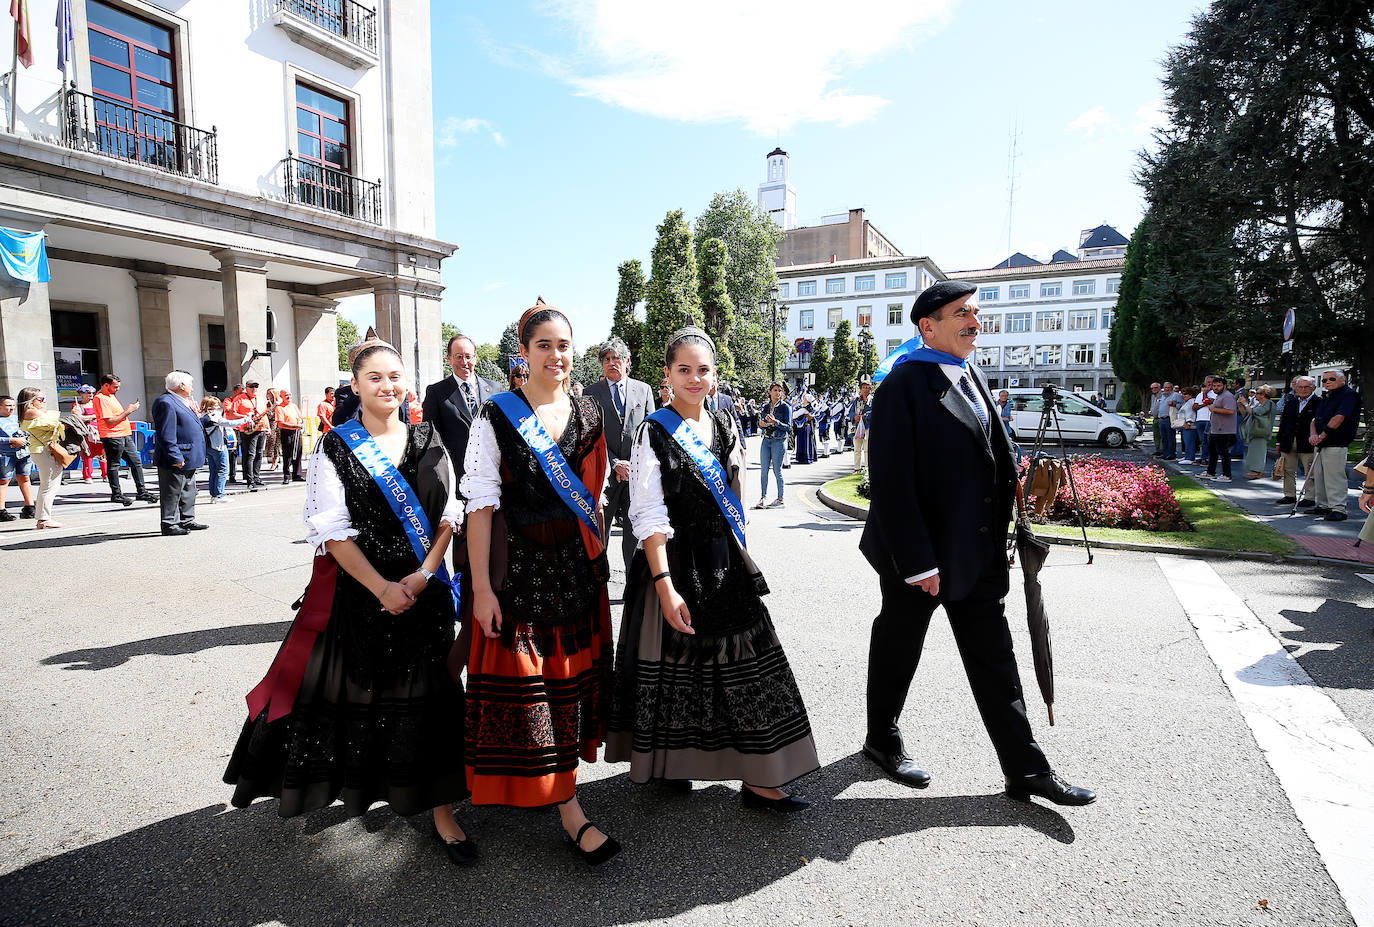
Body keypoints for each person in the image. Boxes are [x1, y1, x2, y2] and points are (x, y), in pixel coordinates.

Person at [224, 341, 474, 865]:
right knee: (367, 696)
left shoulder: (430, 438)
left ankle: (441, 809)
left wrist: (426, 574)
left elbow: (452, 512)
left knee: (431, 700)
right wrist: (383, 588)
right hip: (365, 595)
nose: (388, 386)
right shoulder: (335, 446)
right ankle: (365, 787)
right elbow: (330, 530)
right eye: (376, 378)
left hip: (424, 592)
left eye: (396, 377)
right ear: (355, 385)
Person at [859, 280, 1094, 807]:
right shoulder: (902, 386)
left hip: (979, 553)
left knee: (995, 661)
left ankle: (1026, 769)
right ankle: (881, 739)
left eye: (975, 312)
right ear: (928, 326)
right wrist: (917, 562)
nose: (974, 321)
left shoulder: (970, 375)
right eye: (961, 313)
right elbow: (892, 482)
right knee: (899, 649)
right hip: (918, 557)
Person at [607, 327, 818, 809]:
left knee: (744, 663)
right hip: (673, 562)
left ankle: (761, 778)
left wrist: (740, 552)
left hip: (722, 562)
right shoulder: (653, 431)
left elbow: (734, 497)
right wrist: (663, 585)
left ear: (715, 375)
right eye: (684, 370)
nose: (694, 378)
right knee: (673, 666)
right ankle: (670, 765)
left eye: (703, 370)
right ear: (667, 376)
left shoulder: (725, 425)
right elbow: (648, 513)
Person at [460, 300, 619, 865]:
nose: (556, 355)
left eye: (564, 345)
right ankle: (552, 800)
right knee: (531, 688)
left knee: (569, 687)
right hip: (518, 571)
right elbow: (480, 507)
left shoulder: (590, 413)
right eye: (543, 345)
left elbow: (594, 496)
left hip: (574, 570)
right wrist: (480, 587)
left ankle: (566, 802)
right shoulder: (495, 415)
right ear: (523, 354)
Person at [585, 337, 652, 574]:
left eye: (617, 358)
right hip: (604, 476)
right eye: (607, 359)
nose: (612, 363)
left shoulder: (644, 390)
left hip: (636, 475)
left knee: (634, 532)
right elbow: (590, 434)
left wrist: (633, 464)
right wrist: (614, 462)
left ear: (627, 361)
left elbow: (649, 432)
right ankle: (599, 580)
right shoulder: (590, 393)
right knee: (600, 531)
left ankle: (633, 586)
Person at [422, 334, 503, 494]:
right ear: (449, 358)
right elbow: (431, 437)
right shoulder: (436, 392)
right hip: (457, 479)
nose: (464, 362)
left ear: (476, 358)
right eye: (458, 356)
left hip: (493, 475)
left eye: (468, 356)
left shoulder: (495, 389)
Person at [152, 371, 208, 536]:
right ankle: (170, 523)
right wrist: (175, 455)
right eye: (190, 383)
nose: (192, 387)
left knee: (188, 490)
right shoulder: (166, 402)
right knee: (172, 492)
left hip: (189, 454)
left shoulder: (181, 401)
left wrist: (206, 419)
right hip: (177, 456)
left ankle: (187, 519)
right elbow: (165, 434)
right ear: (181, 385)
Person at [1308, 369, 1362, 521]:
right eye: (1324, 380)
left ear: (1343, 379)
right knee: (1319, 475)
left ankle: (1338, 508)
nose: (1327, 382)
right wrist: (1313, 434)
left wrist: (1322, 435)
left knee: (1334, 476)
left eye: (1331, 379)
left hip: (1336, 441)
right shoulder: (1327, 396)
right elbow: (1315, 419)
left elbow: (1339, 418)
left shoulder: (1349, 395)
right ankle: (1323, 505)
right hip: (1320, 441)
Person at [94, 374, 156, 506]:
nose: (117, 389)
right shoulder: (100, 398)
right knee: (114, 465)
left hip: (123, 434)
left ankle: (142, 491)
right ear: (106, 385)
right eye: (115, 387)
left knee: (136, 462)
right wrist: (129, 411)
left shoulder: (110, 396)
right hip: (112, 436)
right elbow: (110, 421)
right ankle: (116, 494)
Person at [16, 387, 66, 529]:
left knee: (48, 485)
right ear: (30, 401)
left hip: (42, 450)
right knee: (49, 485)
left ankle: (43, 518)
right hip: (44, 451)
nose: (44, 401)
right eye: (40, 399)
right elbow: (56, 422)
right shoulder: (31, 411)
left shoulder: (29, 412)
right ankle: (44, 519)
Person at [1275, 375, 1317, 506]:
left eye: (1306, 387)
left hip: (1307, 442)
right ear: (1296, 388)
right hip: (1288, 440)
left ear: (1313, 388)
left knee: (1310, 471)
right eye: (1300, 387)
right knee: (1287, 469)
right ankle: (1289, 495)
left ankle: (1309, 497)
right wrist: (1279, 441)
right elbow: (1284, 423)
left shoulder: (1319, 402)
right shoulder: (1292, 402)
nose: (1303, 390)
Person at [199, 396, 249, 503]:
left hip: (208, 447)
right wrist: (246, 419)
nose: (218, 407)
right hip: (218, 446)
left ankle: (213, 495)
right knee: (223, 470)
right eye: (216, 405)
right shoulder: (213, 417)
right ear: (210, 406)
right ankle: (219, 495)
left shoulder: (202, 416)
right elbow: (230, 423)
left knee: (213, 471)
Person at [226, 381, 269, 491]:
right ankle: (250, 480)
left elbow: (264, 414)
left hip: (261, 428)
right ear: (246, 387)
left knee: (259, 454)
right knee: (250, 454)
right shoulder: (239, 398)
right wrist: (246, 417)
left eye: (256, 386)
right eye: (251, 386)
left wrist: (267, 427)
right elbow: (232, 414)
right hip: (248, 430)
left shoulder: (260, 398)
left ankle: (256, 477)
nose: (254, 388)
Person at [0, 394, 36, 521]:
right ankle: (1, 510)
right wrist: (11, 440)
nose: (12, 408)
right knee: (4, 481)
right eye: (8, 406)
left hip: (23, 453)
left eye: (13, 406)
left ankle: (30, 506)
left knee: (25, 478)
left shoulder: (18, 418)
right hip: (5, 454)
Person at [756, 383, 791, 508]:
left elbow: (789, 427)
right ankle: (763, 497)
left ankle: (780, 499)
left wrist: (776, 422)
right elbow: (761, 423)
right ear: (770, 392)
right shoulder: (766, 406)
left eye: (779, 390)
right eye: (775, 390)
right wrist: (762, 424)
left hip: (779, 440)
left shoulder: (785, 407)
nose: (778, 393)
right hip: (766, 440)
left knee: (777, 471)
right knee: (764, 470)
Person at [1202, 376, 1238, 482]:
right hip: (1215, 429)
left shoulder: (1227, 396)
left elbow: (1231, 411)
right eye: (1214, 386)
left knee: (1223, 452)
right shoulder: (1219, 396)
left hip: (1225, 430)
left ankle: (1226, 475)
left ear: (1224, 386)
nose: (1216, 388)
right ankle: (1210, 472)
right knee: (1212, 451)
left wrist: (1214, 409)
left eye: (1219, 386)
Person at [1241, 385, 1277, 479]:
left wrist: (1245, 404)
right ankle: (1255, 470)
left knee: (1259, 452)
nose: (1255, 395)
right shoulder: (1260, 404)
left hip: (1261, 432)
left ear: (1263, 395)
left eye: (1257, 393)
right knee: (1254, 451)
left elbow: (1255, 412)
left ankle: (1258, 471)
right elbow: (1247, 413)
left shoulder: (1268, 404)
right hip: (1256, 431)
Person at [70, 385, 103, 483]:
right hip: (85, 432)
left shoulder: (96, 403)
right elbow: (77, 417)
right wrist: (92, 417)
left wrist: (88, 417)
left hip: (98, 431)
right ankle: (87, 476)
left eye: (92, 392)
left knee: (102, 453)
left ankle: (105, 474)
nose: (91, 395)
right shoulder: (77, 405)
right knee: (87, 453)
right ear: (82, 394)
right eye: (88, 392)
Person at [274, 388, 305, 484]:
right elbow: (281, 424)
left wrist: (300, 422)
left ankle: (297, 474)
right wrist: (295, 425)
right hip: (287, 432)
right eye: (286, 395)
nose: (288, 396)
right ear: (281, 396)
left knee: (298, 453)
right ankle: (286, 476)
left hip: (296, 432)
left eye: (289, 394)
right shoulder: (279, 408)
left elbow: (300, 418)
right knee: (287, 455)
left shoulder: (294, 406)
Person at [851, 380, 874, 473]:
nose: (866, 389)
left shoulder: (872, 400)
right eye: (864, 387)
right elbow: (851, 411)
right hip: (857, 428)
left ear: (870, 389)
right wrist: (854, 417)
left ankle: (867, 468)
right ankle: (856, 468)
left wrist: (864, 416)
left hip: (867, 427)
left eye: (868, 388)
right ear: (861, 389)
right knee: (857, 449)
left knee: (867, 449)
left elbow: (875, 411)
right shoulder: (857, 400)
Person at [1177, 387, 1200, 465]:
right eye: (1183, 394)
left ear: (1191, 395)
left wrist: (1189, 422)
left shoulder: (1191, 402)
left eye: (1186, 394)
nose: (1183, 396)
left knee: (1189, 441)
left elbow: (1190, 413)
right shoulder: (1186, 402)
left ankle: (1190, 457)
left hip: (1190, 425)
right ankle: (1187, 456)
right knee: (1186, 441)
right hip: (1185, 425)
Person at [263, 388, 282, 474]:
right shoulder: (267, 403)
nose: (268, 395)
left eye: (270, 393)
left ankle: (275, 462)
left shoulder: (277, 404)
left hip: (276, 424)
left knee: (276, 443)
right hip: (269, 424)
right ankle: (273, 460)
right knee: (271, 442)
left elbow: (274, 414)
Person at [1147, 381, 1164, 457]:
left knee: (1162, 435)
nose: (1154, 389)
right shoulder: (1153, 396)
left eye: (1156, 387)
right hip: (1155, 418)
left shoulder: (1163, 395)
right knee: (1156, 435)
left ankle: (1162, 450)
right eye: (1152, 388)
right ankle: (1157, 449)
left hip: (1161, 418)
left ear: (1159, 388)